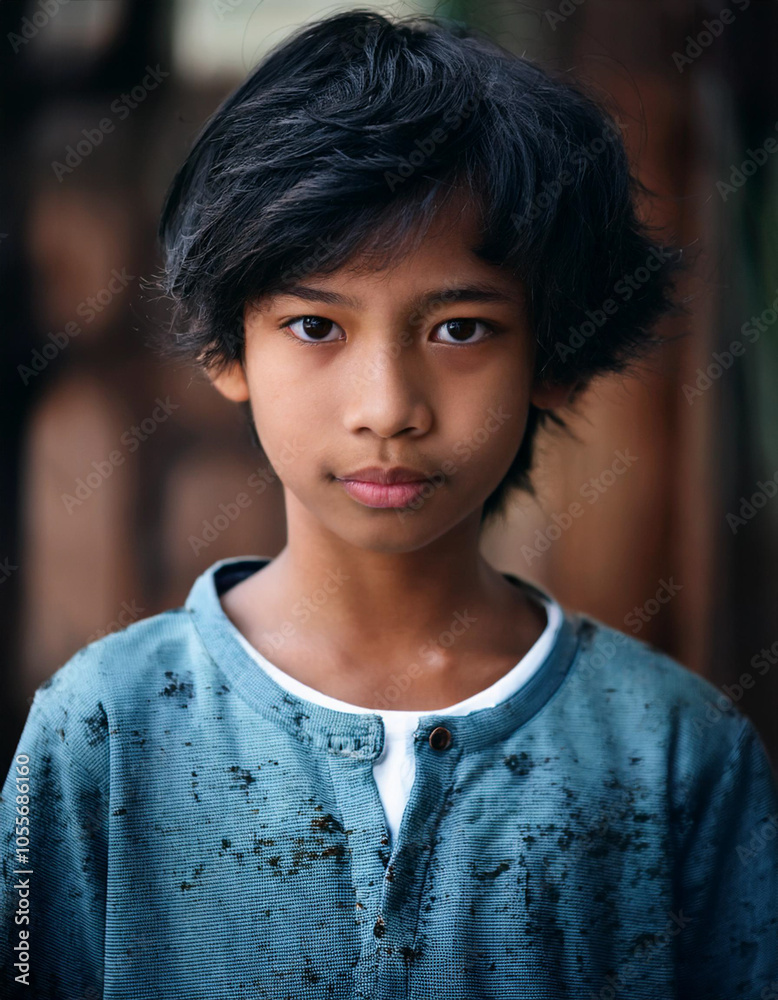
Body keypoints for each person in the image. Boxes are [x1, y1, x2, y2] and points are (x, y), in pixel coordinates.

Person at [2, 9, 777, 998]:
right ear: (226, 349)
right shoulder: (102, 729)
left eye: (459, 329)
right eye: (316, 324)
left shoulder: (675, 756)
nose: (388, 409)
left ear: (553, 355)